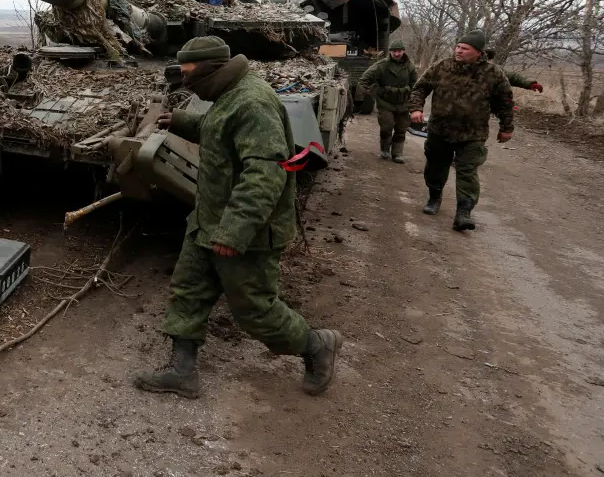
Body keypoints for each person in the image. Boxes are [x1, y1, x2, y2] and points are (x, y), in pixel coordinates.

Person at [134, 36, 343, 399]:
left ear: (210, 69)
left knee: (254, 310)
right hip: (208, 219)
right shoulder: (229, 95)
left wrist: (234, 232)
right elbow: (221, 132)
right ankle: (182, 372)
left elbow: (264, 173)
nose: (184, 80)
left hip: (247, 230)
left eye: (187, 72)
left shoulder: (252, 102)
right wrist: (183, 121)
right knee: (190, 291)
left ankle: (316, 344)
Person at [409, 29, 514, 231]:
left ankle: (464, 212)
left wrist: (506, 127)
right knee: (435, 166)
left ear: (478, 52)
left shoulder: (493, 74)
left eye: (464, 48)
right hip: (440, 130)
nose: (458, 51)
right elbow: (420, 87)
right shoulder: (442, 67)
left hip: (472, 134)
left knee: (467, 171)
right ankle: (434, 196)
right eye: (457, 47)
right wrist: (416, 108)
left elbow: (505, 102)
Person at [356, 37, 418, 163]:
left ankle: (397, 153)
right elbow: (364, 79)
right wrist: (360, 98)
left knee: (401, 128)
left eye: (399, 51)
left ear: (403, 51)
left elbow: (416, 85)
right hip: (386, 102)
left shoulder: (410, 67)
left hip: (403, 102)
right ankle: (384, 149)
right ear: (390, 52)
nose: (396, 54)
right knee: (386, 126)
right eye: (394, 51)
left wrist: (415, 103)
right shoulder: (381, 65)